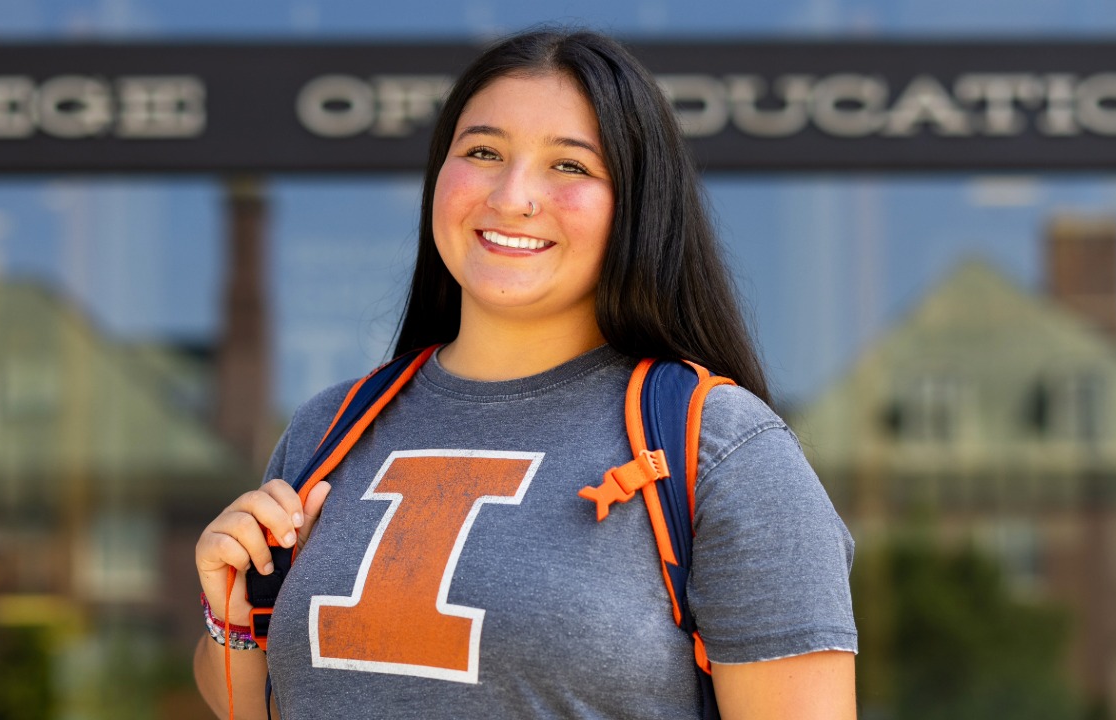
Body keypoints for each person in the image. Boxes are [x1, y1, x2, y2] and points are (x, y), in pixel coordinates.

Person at [193, 28, 858, 719]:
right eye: (483, 152)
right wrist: (231, 618)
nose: (512, 197)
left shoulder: (721, 450)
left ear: (637, 205)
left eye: (569, 166)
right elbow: (277, 705)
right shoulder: (330, 431)